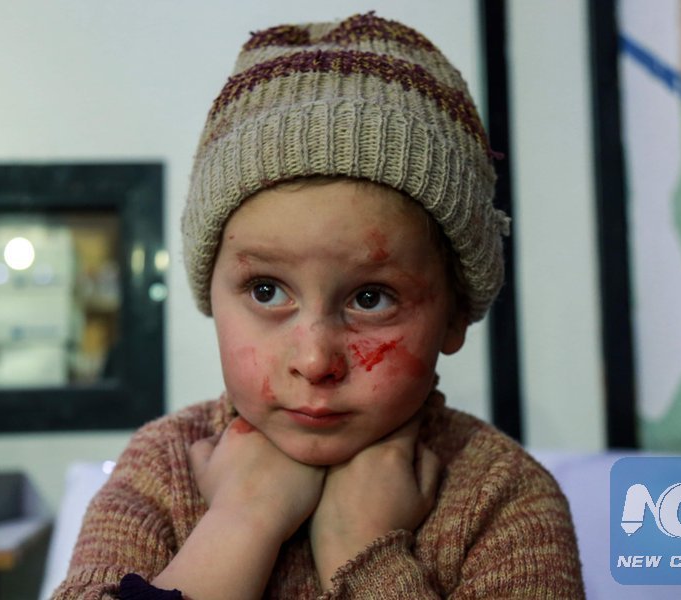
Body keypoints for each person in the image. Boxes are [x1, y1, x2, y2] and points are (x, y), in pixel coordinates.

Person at [53, 12, 584, 599]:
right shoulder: (163, 468)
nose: (314, 361)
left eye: (370, 298)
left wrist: (364, 554)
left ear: (455, 314)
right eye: (266, 290)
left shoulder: (502, 496)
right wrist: (241, 522)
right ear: (211, 293)